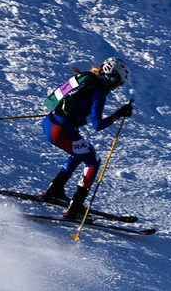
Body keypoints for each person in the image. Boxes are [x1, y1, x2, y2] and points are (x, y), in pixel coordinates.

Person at [39, 56, 133, 219]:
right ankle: (75, 208)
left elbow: (59, 98)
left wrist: (65, 113)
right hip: (61, 132)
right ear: (111, 75)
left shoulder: (86, 77)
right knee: (93, 161)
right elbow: (98, 125)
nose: (117, 87)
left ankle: (55, 190)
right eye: (118, 82)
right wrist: (118, 114)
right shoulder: (99, 92)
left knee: (81, 150)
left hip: (50, 123)